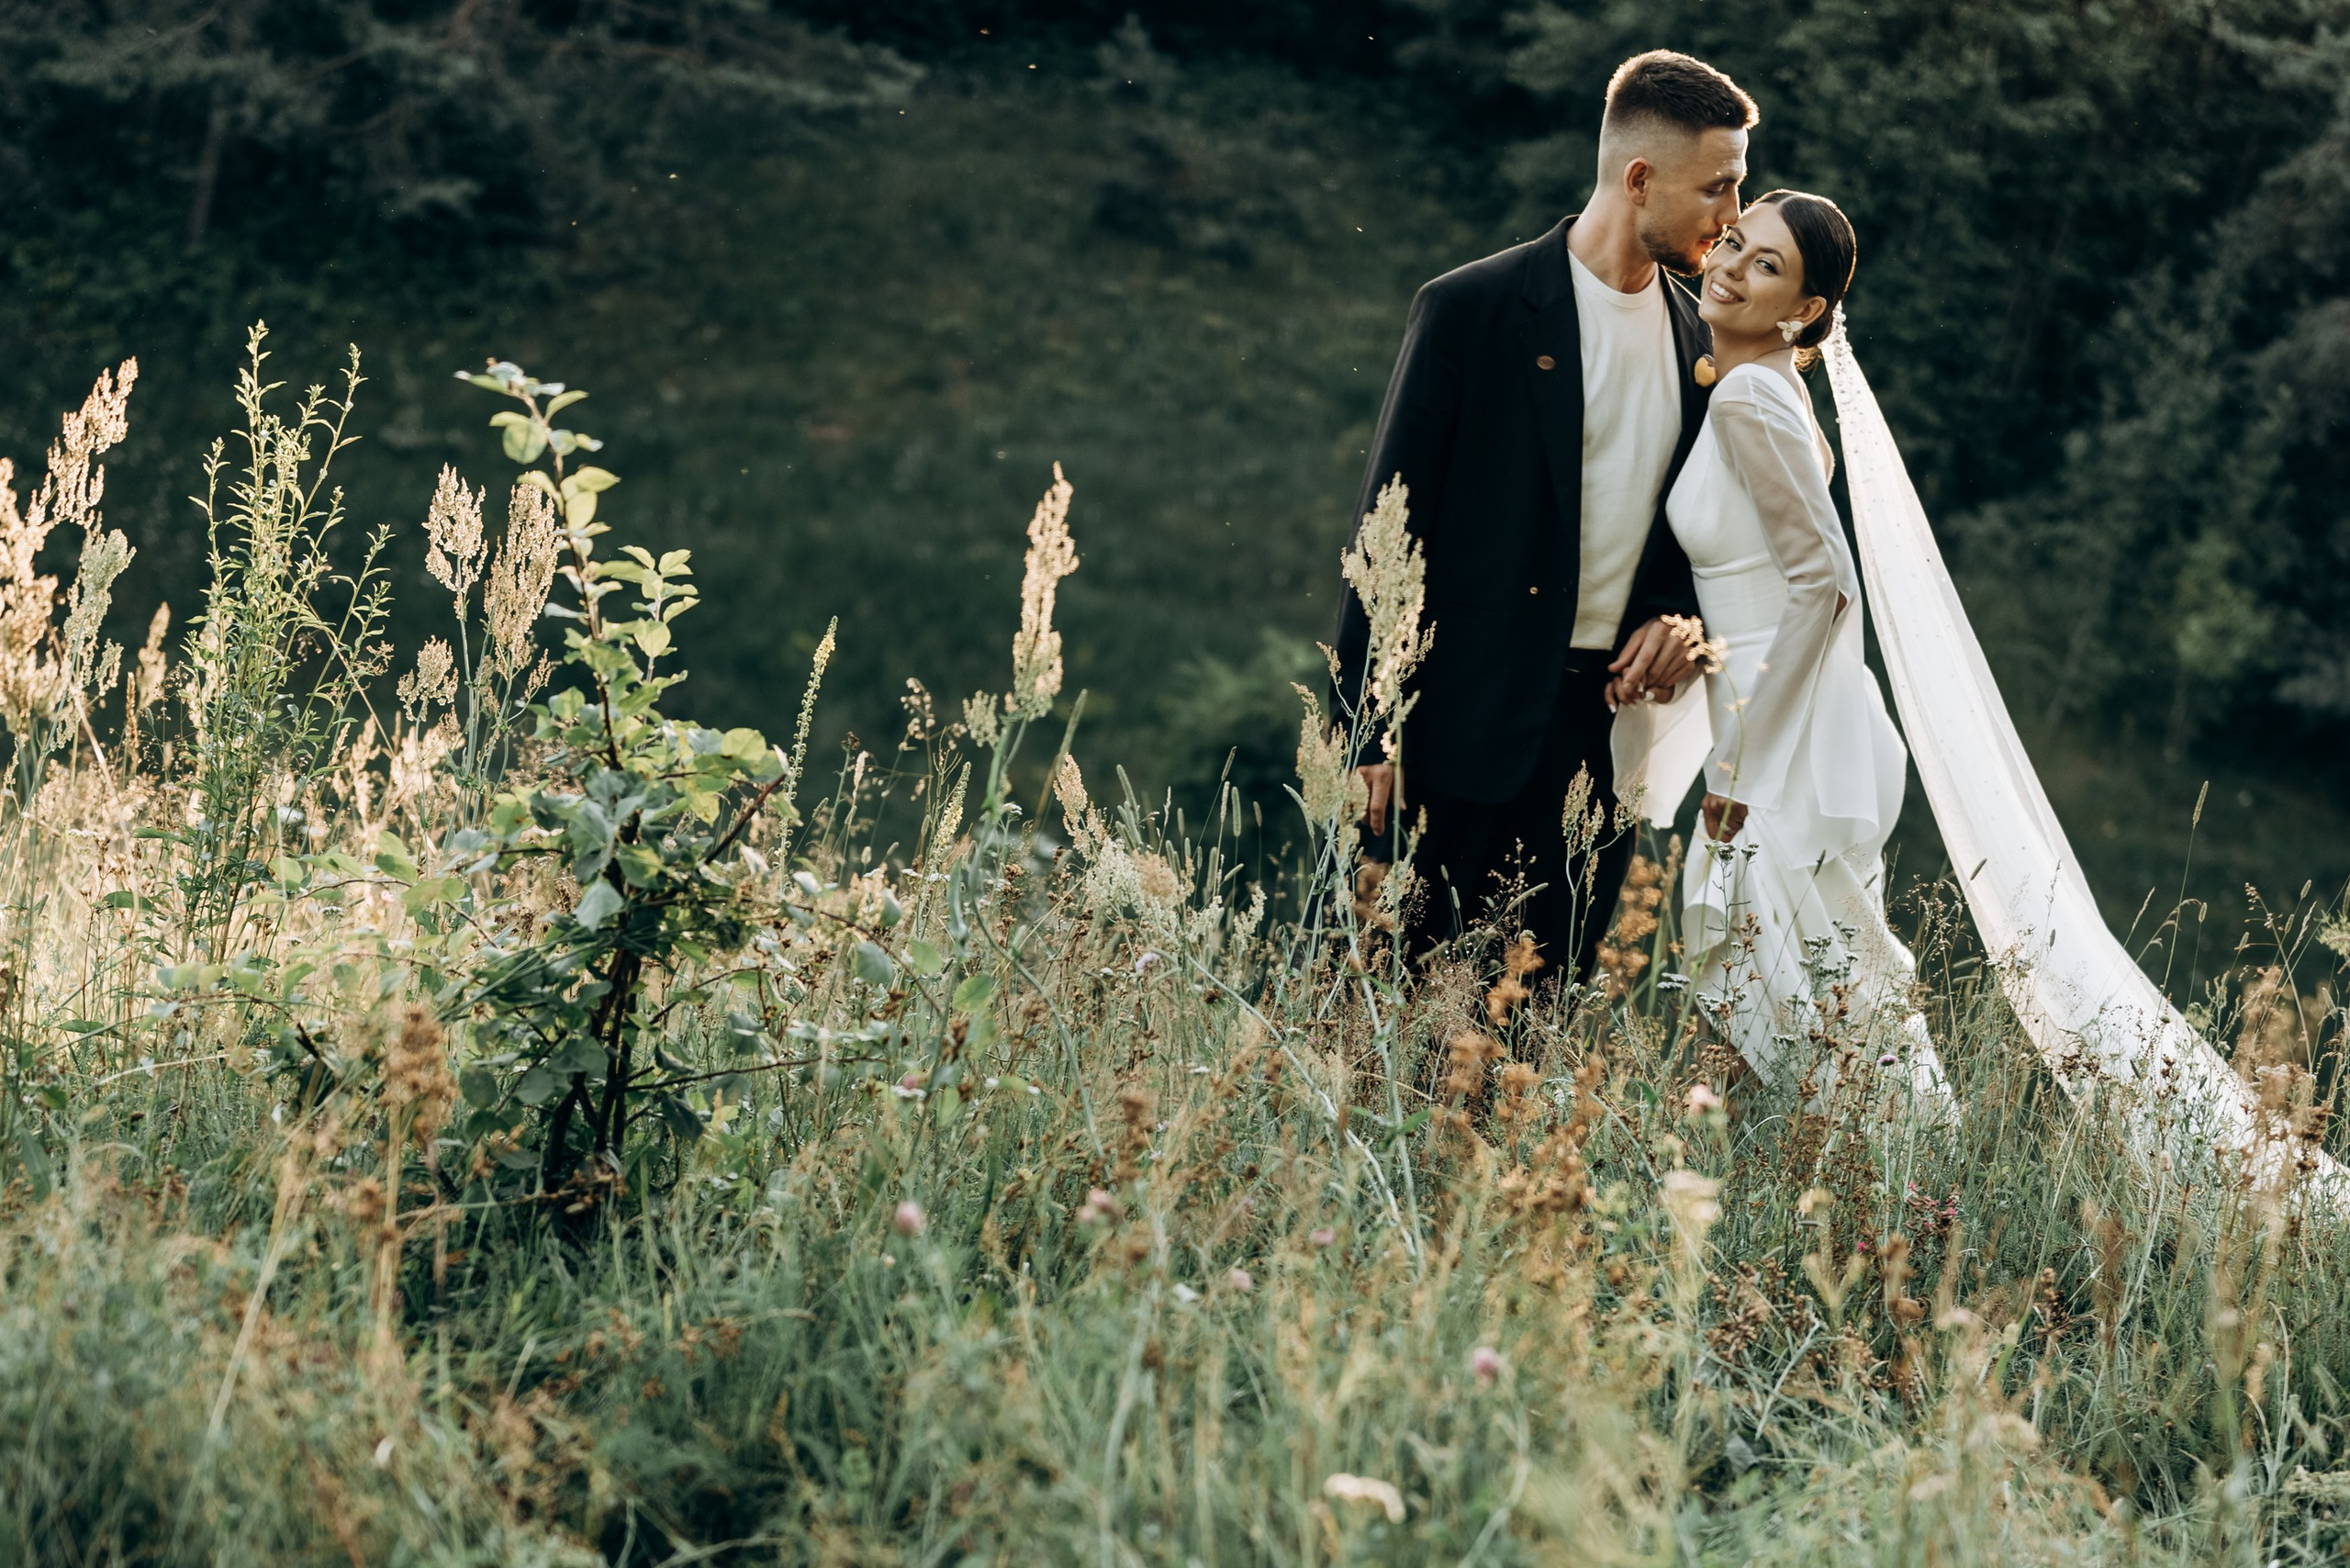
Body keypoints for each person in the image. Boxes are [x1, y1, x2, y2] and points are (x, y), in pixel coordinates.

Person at [1331, 50, 1755, 980]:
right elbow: (1387, 531)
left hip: (1590, 756)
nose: (1731, 220)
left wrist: (1684, 627)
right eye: (1717, 188)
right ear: (1640, 179)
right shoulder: (1470, 311)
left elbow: (1696, 546)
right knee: (1371, 1025)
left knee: (1523, 1044)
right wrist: (1367, 734)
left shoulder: (1707, 353)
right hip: (1444, 732)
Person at [1612, 190, 1947, 1100]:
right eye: (1732, 243)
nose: (1727, 265)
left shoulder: (1751, 399)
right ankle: (1870, 1194)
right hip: (1791, 708)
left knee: (1805, 988)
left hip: (1782, 731)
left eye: (1765, 265)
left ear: (1804, 312)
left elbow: (1826, 585)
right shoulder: (1766, 392)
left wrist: (1741, 760)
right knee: (1819, 992)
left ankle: (1893, 1191)